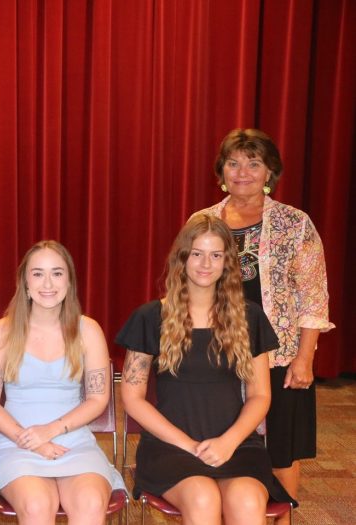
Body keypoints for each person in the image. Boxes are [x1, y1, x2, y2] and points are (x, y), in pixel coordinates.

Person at [192, 128, 333, 524]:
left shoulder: (295, 224)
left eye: (254, 163)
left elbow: (314, 295)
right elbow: (185, 287)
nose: (243, 172)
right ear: (221, 171)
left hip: (280, 357)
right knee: (224, 445)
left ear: (270, 171)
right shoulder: (202, 222)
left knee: (281, 448)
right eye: (234, 162)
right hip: (216, 359)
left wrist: (304, 358)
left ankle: (282, 518)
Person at [117, 215, 296, 525]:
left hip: (236, 444)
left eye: (216, 255)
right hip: (170, 446)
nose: (205, 263)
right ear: (182, 258)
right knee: (203, 497)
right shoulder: (150, 317)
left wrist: (228, 442)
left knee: (248, 500)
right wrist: (188, 446)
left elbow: (260, 395)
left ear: (227, 262)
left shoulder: (249, 317)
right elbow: (132, 398)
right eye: (197, 253)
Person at [0, 240, 125, 525]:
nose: (48, 283)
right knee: (37, 505)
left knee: (91, 504)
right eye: (38, 273)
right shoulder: (2, 332)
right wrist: (34, 441)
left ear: (69, 281)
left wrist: (51, 430)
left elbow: (98, 399)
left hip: (75, 442)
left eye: (57, 273)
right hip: (17, 443)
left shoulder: (88, 330)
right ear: (25, 282)